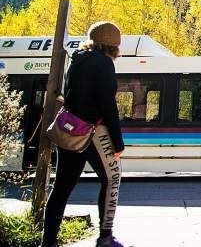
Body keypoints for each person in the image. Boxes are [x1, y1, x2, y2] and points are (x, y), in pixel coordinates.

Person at [42, 21, 125, 247]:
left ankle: (48, 241)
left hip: (69, 131)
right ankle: (105, 236)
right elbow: (107, 104)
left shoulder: (76, 60)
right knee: (112, 179)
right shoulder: (104, 64)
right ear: (113, 46)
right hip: (93, 131)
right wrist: (118, 143)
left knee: (61, 188)